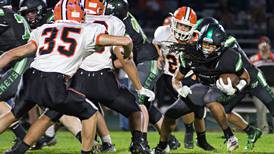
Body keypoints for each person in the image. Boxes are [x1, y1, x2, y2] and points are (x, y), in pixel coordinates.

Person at [0, 0, 136, 153]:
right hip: (54, 82)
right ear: (79, 13)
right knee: (90, 112)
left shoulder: (44, 29)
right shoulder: (87, 30)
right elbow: (126, 40)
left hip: (29, 79)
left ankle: (17, 151)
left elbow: (12, 54)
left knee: (14, 114)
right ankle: (87, 151)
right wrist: (128, 53)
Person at [105, 0, 180, 151]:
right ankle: (170, 139)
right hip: (146, 60)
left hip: (146, 62)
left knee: (137, 99)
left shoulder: (120, 25)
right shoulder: (125, 17)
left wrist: (107, 65)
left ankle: (141, 141)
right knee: (146, 105)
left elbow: (127, 58)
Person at [172, 23, 247, 151]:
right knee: (198, 110)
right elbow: (176, 79)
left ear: (220, 46)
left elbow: (246, 77)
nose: (207, 48)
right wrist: (180, 89)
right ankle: (194, 136)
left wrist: (235, 89)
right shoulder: (191, 54)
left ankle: (229, 136)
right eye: (205, 43)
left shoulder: (229, 56)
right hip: (200, 82)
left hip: (220, 86)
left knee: (210, 103)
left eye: (212, 45)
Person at [152, 8, 216, 153]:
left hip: (189, 76)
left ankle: (197, 138)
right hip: (170, 77)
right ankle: (192, 136)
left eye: (186, 26)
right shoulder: (162, 32)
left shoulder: (195, 38)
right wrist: (159, 55)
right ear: (174, 22)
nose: (183, 29)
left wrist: (198, 72)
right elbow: (156, 43)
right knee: (188, 107)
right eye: (180, 25)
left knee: (198, 111)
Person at [0, 3, 31, 142]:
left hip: (22, 60)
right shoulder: (10, 13)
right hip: (25, 58)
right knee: (54, 105)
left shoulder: (4, 15)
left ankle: (24, 137)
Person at [250, 36, 274, 132]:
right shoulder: (253, 59)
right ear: (258, 46)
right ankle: (263, 131)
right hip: (259, 89)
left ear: (269, 46)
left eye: (266, 44)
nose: (264, 46)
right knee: (260, 110)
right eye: (262, 44)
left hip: (273, 87)